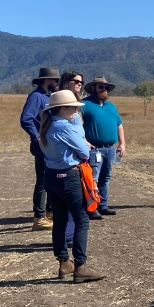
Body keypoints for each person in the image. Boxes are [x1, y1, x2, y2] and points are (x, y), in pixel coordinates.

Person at [38, 90, 105, 283]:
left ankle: (64, 262)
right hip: (70, 177)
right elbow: (84, 151)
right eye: (74, 107)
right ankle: (81, 266)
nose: (77, 110)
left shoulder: (49, 125)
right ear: (63, 108)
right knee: (81, 220)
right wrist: (77, 126)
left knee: (59, 221)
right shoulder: (64, 127)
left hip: (51, 176)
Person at [20, 67, 60, 231]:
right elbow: (26, 119)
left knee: (50, 180)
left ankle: (49, 215)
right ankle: (39, 218)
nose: (57, 83)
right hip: (42, 145)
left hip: (49, 145)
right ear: (47, 80)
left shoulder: (47, 97)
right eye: (55, 80)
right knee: (43, 182)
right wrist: (37, 137)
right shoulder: (37, 97)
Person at [81, 76, 125, 217]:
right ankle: (91, 207)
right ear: (93, 88)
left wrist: (122, 143)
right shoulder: (84, 105)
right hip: (94, 149)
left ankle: (102, 205)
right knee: (93, 178)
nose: (104, 90)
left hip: (110, 148)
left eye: (106, 88)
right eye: (101, 87)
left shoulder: (111, 107)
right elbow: (76, 125)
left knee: (105, 178)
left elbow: (119, 125)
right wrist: (84, 141)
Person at [57, 71, 87, 240]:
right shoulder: (60, 101)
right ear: (65, 81)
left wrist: (84, 142)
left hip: (78, 153)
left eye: (81, 82)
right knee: (72, 200)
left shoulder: (76, 101)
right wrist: (80, 147)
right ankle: (69, 235)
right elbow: (67, 131)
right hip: (70, 157)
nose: (79, 84)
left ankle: (69, 233)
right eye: (75, 81)